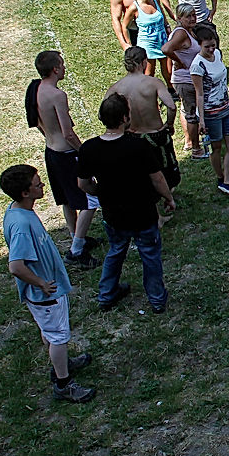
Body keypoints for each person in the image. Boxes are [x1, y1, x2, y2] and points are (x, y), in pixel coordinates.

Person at [0, 164, 96, 403]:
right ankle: (63, 383)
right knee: (58, 336)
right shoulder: (21, 225)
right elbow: (16, 266)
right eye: (37, 184)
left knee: (52, 332)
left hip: (45, 292)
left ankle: (61, 361)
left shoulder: (16, 211)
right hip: (46, 294)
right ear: (25, 192)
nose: (42, 185)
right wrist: (42, 283)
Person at [78, 94, 175, 314]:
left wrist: (101, 192)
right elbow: (157, 178)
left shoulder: (89, 148)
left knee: (116, 251)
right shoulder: (137, 146)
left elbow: (83, 184)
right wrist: (168, 198)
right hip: (143, 213)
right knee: (150, 256)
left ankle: (107, 293)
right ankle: (157, 300)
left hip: (113, 214)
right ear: (124, 118)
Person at [30, 50, 99, 269]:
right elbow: (68, 133)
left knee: (67, 200)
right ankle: (76, 250)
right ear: (55, 69)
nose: (64, 68)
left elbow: (36, 121)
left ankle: (76, 236)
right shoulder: (58, 96)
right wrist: (84, 153)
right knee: (91, 200)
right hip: (66, 154)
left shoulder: (35, 89)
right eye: (62, 64)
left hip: (51, 152)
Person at [105, 46, 180, 225]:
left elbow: (105, 113)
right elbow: (171, 106)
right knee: (166, 172)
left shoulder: (117, 88)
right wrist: (169, 124)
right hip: (156, 134)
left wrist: (123, 128)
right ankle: (166, 199)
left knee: (144, 177)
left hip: (133, 136)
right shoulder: (153, 83)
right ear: (144, 62)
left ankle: (157, 213)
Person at [190, 24, 229, 197]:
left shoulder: (217, 54)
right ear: (199, 45)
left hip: (226, 107)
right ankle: (222, 179)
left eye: (213, 45)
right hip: (211, 113)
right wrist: (202, 120)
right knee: (216, 147)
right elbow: (199, 94)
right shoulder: (197, 66)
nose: (212, 49)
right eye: (207, 47)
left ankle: (228, 180)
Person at [162, 4, 206, 159]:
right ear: (179, 18)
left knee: (186, 110)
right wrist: (179, 61)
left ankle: (189, 141)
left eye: (194, 15)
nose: (193, 18)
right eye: (188, 16)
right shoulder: (181, 33)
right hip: (185, 80)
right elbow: (166, 49)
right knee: (191, 113)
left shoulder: (188, 31)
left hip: (188, 78)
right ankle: (196, 149)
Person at [122, 0, 172, 85]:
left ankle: (171, 90)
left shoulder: (155, 0)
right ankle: (147, 95)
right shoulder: (134, 7)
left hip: (162, 41)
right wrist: (128, 44)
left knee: (168, 70)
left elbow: (163, 17)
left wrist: (167, 27)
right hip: (147, 45)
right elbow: (125, 25)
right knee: (149, 72)